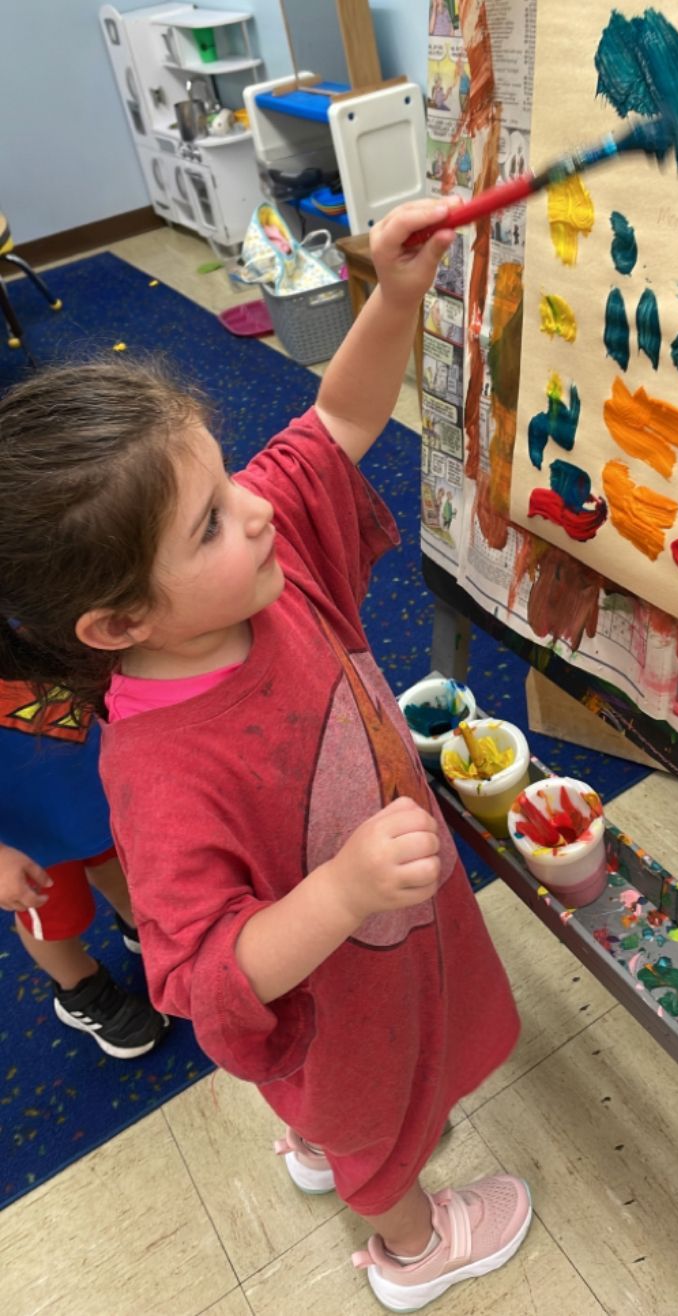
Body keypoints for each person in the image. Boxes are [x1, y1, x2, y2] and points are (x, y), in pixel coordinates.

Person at [0, 199, 530, 1312]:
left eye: (228, 479)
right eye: (208, 523)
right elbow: (198, 977)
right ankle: (411, 1245)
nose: (256, 513)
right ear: (115, 624)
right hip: (334, 990)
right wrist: (339, 890)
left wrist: (391, 297)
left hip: (372, 950)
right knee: (372, 1125)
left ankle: (312, 1129)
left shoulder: (246, 574)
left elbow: (334, 422)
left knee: (332, 1095)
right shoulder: (159, 774)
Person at [0, 681, 169, 1058]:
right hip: (24, 840)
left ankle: (142, 923)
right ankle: (79, 987)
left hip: (93, 778)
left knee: (121, 864)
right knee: (55, 918)